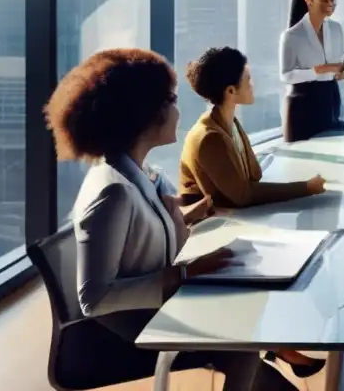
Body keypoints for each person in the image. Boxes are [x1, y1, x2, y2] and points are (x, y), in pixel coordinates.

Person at [45, 49, 298, 390]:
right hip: (132, 325)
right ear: (145, 114)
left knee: (248, 313)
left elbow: (149, 236)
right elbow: (94, 298)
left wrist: (184, 216)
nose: (179, 112)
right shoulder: (112, 193)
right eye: (172, 100)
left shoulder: (143, 173)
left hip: (160, 303)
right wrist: (182, 273)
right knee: (244, 336)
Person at [179, 46, 326, 208]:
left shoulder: (230, 123)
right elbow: (243, 195)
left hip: (233, 216)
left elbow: (255, 174)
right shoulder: (209, 138)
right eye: (247, 79)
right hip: (211, 225)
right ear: (230, 91)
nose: (252, 84)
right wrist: (306, 188)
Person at [279, 0, 344, 142]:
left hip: (331, 98)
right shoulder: (292, 36)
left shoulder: (336, 29)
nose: (330, 4)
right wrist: (318, 71)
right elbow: (286, 75)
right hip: (302, 104)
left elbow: (343, 57)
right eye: (324, 0)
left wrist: (343, 69)